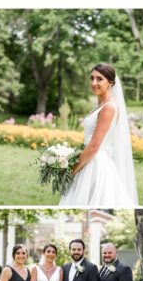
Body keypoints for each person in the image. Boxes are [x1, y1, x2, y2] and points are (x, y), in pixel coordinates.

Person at [59, 63, 138, 206]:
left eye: (99, 79)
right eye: (92, 78)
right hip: (88, 159)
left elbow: (94, 146)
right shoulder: (102, 105)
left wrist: (72, 170)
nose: (94, 83)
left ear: (110, 82)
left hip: (94, 164)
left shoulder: (109, 108)